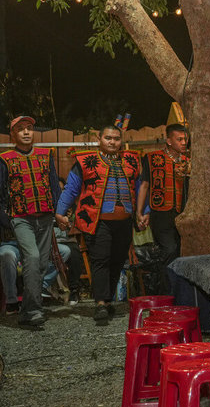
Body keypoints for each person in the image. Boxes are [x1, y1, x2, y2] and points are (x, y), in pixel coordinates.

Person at [56, 124, 142, 325]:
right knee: (100, 259)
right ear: (99, 139)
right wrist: (60, 212)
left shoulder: (131, 160)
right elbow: (71, 188)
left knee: (117, 261)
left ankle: (108, 298)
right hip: (96, 221)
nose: (113, 142)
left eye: (116, 138)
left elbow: (139, 188)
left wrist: (143, 212)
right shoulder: (85, 161)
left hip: (124, 221)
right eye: (108, 138)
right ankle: (101, 303)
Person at [0, 116, 62, 329]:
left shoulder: (46, 156)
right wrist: (8, 220)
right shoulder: (5, 159)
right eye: (20, 129)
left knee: (42, 264)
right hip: (21, 218)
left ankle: (26, 310)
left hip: (45, 217)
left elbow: (55, 187)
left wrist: (59, 212)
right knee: (33, 258)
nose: (26, 132)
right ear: (13, 134)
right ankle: (35, 310)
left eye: (29, 128)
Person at [137, 123, 190, 294]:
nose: (183, 142)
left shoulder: (188, 161)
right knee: (169, 249)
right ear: (168, 140)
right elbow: (144, 185)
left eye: (185, 139)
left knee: (182, 251)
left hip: (184, 213)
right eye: (179, 139)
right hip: (161, 213)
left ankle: (178, 291)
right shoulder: (152, 158)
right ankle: (167, 292)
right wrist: (140, 211)